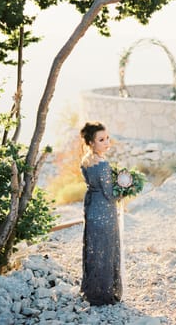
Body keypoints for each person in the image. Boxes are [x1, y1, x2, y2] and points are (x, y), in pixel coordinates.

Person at [80, 121, 123, 306]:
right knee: (107, 251)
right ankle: (105, 295)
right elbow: (110, 193)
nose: (107, 142)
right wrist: (124, 186)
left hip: (91, 210)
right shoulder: (103, 164)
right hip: (105, 211)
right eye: (101, 139)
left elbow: (93, 186)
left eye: (107, 138)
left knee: (95, 251)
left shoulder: (86, 161)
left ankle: (92, 291)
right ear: (91, 142)